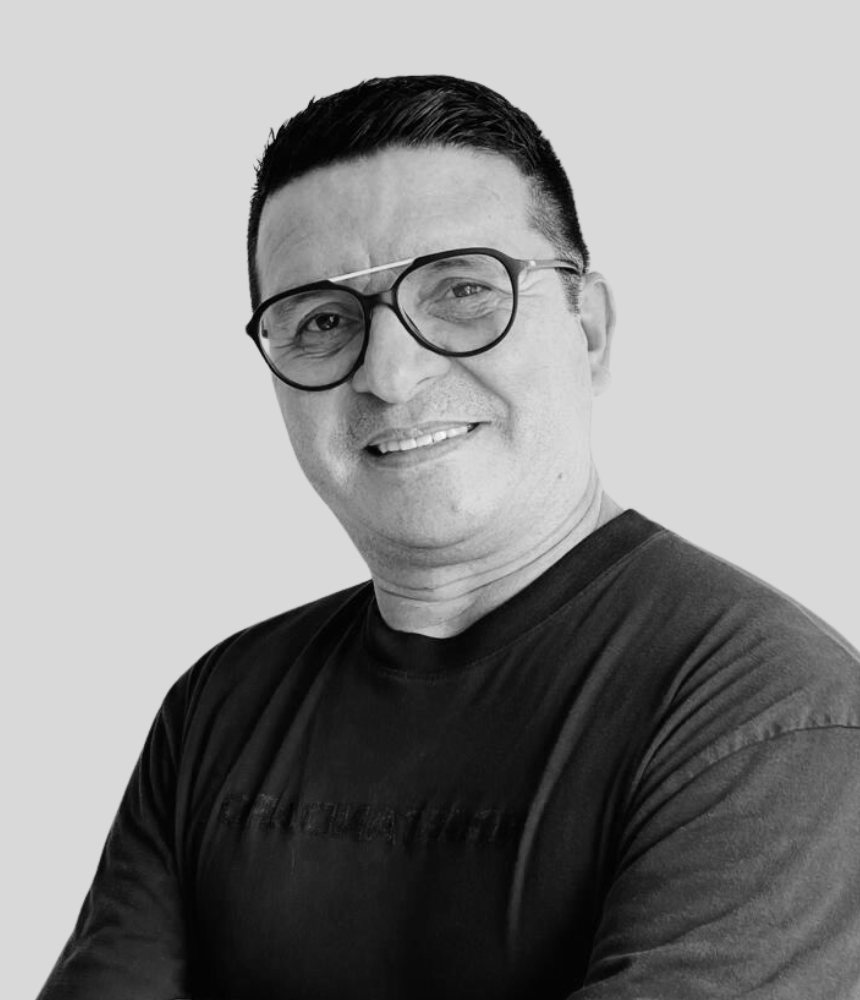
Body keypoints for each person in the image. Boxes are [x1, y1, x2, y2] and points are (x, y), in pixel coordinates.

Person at [38, 75, 860, 1000]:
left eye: (463, 289)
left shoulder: (776, 717)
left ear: (588, 330)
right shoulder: (216, 711)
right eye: (322, 320)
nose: (390, 373)